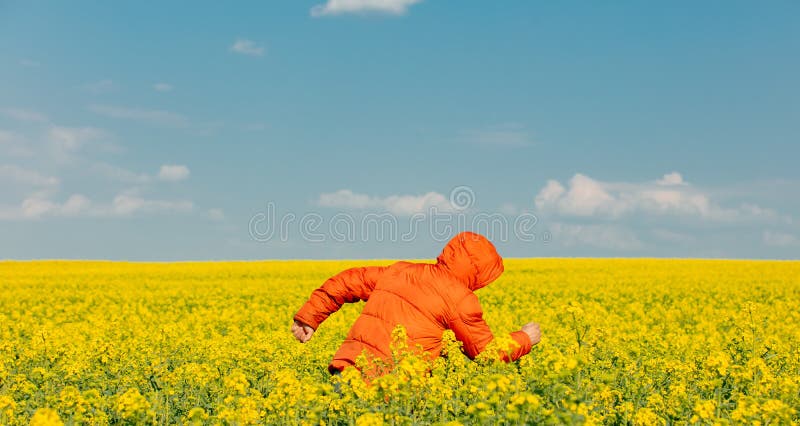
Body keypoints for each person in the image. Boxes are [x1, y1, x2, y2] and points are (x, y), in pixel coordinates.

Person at [292, 231, 541, 375]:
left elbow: (349, 280)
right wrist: (524, 338)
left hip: (347, 369)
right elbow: (486, 354)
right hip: (391, 384)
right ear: (479, 275)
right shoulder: (460, 298)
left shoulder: (400, 271)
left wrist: (309, 318)